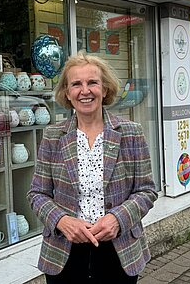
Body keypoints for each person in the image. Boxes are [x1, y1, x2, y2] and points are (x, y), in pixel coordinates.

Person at [27, 52, 158, 284]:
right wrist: (61, 221)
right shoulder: (53, 136)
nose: (84, 91)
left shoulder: (130, 133)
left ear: (105, 89)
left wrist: (117, 219)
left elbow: (147, 191)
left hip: (119, 251)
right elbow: (38, 194)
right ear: (67, 93)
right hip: (64, 251)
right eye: (76, 84)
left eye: (92, 83)